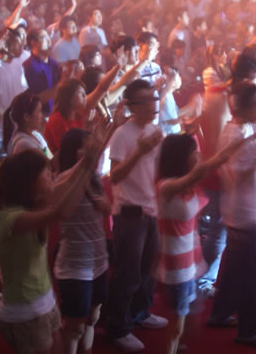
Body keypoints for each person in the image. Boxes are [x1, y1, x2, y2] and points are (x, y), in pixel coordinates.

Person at [0, 139, 100, 354]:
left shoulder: (36, 204)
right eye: (46, 172)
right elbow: (61, 212)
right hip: (24, 313)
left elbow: (71, 180)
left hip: (45, 302)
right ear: (29, 182)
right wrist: (87, 167)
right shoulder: (11, 218)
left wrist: (91, 157)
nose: (53, 174)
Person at [157, 133, 246, 354]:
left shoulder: (189, 185)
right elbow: (205, 168)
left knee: (187, 325)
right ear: (180, 158)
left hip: (190, 264)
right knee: (177, 328)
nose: (198, 155)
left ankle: (176, 347)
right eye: (193, 152)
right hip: (176, 270)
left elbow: (216, 160)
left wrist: (245, 139)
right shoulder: (166, 187)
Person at [207, 81, 256, 349]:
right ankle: (250, 331)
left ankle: (220, 313)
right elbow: (238, 176)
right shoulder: (234, 135)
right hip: (240, 213)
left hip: (240, 210)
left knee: (234, 270)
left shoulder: (241, 129)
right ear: (245, 108)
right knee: (250, 276)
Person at [107, 79, 167, 352]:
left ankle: (141, 313)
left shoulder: (154, 130)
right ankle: (118, 328)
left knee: (148, 269)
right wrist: (140, 151)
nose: (155, 104)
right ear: (134, 106)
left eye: (155, 98)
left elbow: (156, 169)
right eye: (149, 100)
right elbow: (115, 176)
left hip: (151, 208)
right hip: (129, 213)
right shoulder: (123, 134)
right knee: (127, 273)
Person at [55, 129, 112, 354]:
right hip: (75, 265)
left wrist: (101, 202)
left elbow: (107, 207)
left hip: (99, 260)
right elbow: (64, 212)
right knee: (75, 327)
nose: (90, 151)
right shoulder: (64, 180)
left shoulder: (94, 177)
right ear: (72, 152)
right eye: (84, 147)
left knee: (93, 318)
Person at [44, 63, 119, 154]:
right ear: (69, 98)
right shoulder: (56, 120)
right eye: (81, 94)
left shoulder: (79, 116)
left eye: (85, 93)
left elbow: (93, 146)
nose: (85, 96)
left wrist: (101, 130)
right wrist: (87, 128)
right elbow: (71, 151)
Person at [0, 29, 29, 164]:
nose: (21, 46)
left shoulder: (22, 61)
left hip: (20, 131)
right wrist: (14, 117)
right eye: (17, 43)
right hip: (1, 135)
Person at [23, 29, 62, 116]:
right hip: (40, 115)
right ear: (33, 43)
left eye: (48, 36)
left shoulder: (53, 63)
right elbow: (38, 96)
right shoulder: (30, 65)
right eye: (43, 37)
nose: (48, 40)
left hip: (55, 112)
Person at [3, 90, 52, 159]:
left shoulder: (36, 134)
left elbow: (50, 159)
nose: (42, 116)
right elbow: (48, 163)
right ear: (26, 117)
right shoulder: (23, 144)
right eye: (39, 111)